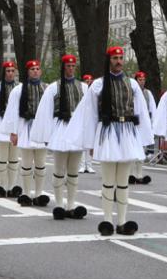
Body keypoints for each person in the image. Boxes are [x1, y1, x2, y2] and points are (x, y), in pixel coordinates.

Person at [65, 46, 154, 236]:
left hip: (128, 132)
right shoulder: (98, 85)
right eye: (115, 58)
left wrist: (144, 138)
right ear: (109, 60)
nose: (119, 61)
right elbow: (89, 115)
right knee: (108, 181)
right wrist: (89, 142)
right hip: (107, 132)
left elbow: (141, 112)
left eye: (121, 57)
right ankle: (107, 221)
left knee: (123, 182)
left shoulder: (132, 84)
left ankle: (122, 221)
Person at [31, 54, 89, 219]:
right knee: (59, 170)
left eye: (73, 66)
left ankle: (71, 204)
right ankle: (59, 204)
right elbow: (45, 112)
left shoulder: (83, 87)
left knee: (73, 171)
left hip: (76, 130)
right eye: (68, 66)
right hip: (61, 129)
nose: (71, 69)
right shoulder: (53, 87)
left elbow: (88, 112)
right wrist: (47, 135)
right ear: (63, 67)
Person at [0, 60, 49, 207]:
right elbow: (12, 112)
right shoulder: (19, 90)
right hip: (25, 127)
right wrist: (13, 133)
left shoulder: (46, 88)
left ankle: (39, 194)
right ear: (27, 72)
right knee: (26, 163)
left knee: (40, 164)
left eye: (37, 69)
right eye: (32, 69)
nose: (35, 71)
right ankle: (27, 194)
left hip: (41, 128)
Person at [0, 61, 22, 198]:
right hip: (1, 126)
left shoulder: (19, 87)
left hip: (15, 127)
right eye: (8, 71)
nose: (10, 73)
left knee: (13, 160)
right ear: (4, 72)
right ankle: (2, 186)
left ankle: (12, 187)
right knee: (2, 160)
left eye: (13, 71)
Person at [129, 71, 155, 185]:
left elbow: (152, 108)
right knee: (131, 149)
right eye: (140, 79)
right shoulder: (130, 91)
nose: (142, 82)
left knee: (141, 150)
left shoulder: (147, 93)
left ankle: (139, 174)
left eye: (143, 80)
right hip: (131, 123)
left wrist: (151, 124)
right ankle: (130, 174)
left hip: (143, 124)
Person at [79, 74, 97, 174]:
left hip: (90, 120)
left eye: (90, 80)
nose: (88, 82)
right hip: (82, 120)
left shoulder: (94, 93)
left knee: (90, 144)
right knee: (82, 145)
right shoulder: (82, 92)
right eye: (87, 81)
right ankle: (82, 165)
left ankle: (89, 165)